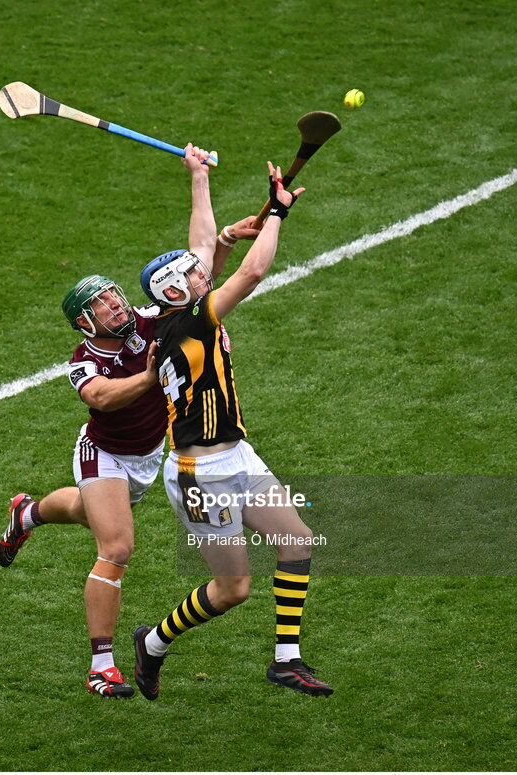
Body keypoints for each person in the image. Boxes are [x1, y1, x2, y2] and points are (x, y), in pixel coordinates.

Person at [0, 145, 260, 699]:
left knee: (82, 510)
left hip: (150, 454)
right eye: (104, 305)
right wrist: (153, 374)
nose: (118, 306)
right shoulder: (83, 361)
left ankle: (27, 513)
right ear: (85, 321)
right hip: (106, 453)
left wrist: (200, 183)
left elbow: (197, 264)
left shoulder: (148, 320)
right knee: (115, 546)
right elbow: (104, 397)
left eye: (116, 296)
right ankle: (101, 664)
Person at [132, 161, 334, 699]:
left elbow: (203, 242)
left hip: (237, 453)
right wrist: (278, 216)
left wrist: (198, 176)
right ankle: (152, 644)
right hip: (201, 471)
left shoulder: (180, 312)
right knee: (233, 588)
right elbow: (252, 274)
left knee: (296, 541)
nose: (204, 273)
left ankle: (285, 661)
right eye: (194, 275)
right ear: (175, 292)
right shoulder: (192, 320)